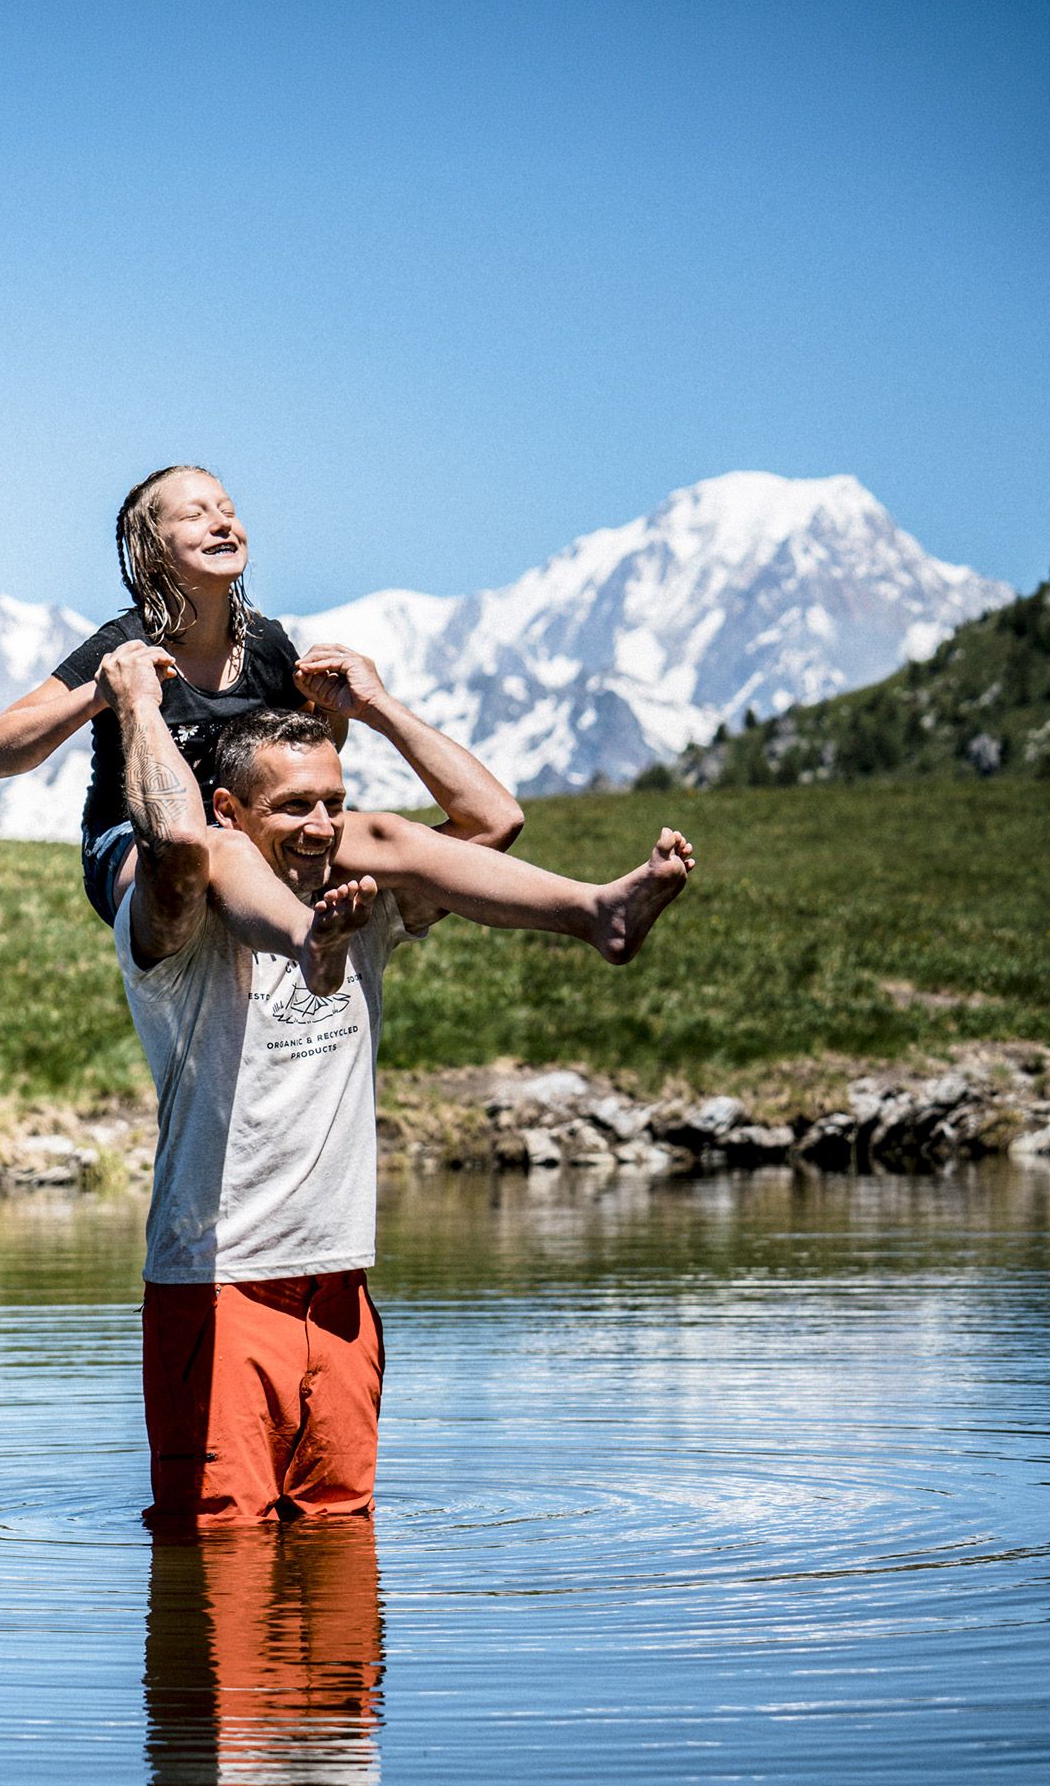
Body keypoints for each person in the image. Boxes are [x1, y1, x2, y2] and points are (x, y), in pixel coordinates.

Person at [101, 642, 691, 1528]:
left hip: (339, 1285)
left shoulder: (361, 905)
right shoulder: (176, 934)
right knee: (218, 1555)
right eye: (294, 805)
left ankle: (596, 912)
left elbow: (489, 820)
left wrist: (374, 705)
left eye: (333, 803)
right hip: (218, 1285)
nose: (320, 825)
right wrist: (136, 706)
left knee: (341, 1542)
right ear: (231, 808)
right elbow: (180, 841)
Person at [0, 464, 694, 969]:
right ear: (152, 547)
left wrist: (342, 712)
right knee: (205, 848)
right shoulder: (121, 643)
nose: (221, 518)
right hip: (136, 852)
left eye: (227, 507)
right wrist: (100, 693)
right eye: (194, 512)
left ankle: (596, 911)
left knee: (381, 829)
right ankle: (310, 942)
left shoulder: (266, 644)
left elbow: (308, 757)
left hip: (252, 831)